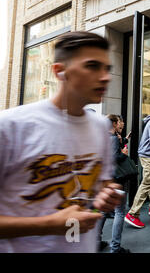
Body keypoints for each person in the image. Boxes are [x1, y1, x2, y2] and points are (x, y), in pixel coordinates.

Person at [0, 31, 123, 252]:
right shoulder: (11, 127)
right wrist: (50, 224)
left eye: (107, 69)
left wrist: (107, 194)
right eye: (93, 66)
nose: (105, 77)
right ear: (59, 71)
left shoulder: (100, 126)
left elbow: (103, 183)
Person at [97, 114, 131, 253]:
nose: (120, 124)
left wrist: (123, 140)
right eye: (119, 122)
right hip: (117, 179)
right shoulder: (113, 139)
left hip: (105, 178)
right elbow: (115, 158)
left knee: (104, 210)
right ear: (114, 123)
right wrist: (123, 153)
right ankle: (115, 247)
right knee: (119, 212)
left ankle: (96, 241)